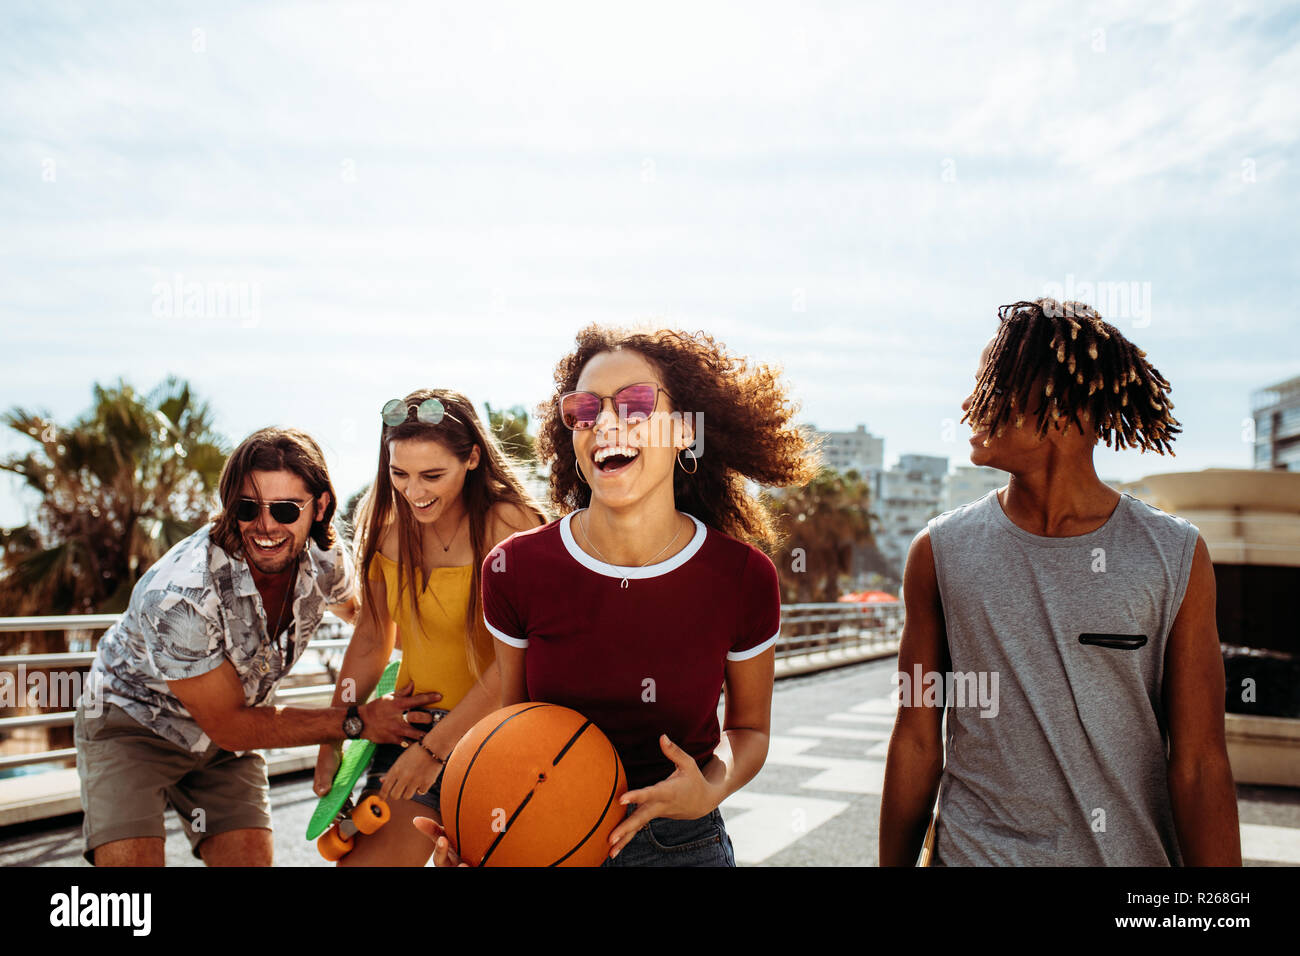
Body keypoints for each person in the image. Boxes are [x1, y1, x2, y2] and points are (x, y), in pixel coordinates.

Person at [420, 325, 819, 867]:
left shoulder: (742, 576)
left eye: (634, 404)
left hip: (680, 844)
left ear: (684, 430)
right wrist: (479, 835)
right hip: (544, 834)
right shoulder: (516, 568)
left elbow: (749, 730)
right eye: (584, 410)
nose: (605, 423)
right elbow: (514, 725)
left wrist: (710, 787)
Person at [879, 298, 1241, 866]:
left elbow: (1199, 764)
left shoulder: (1172, 554)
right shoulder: (938, 551)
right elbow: (916, 739)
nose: (969, 405)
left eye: (993, 383)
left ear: (1064, 405)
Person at [76, 427, 441, 867]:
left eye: (286, 509)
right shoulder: (179, 596)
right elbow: (231, 726)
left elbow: (372, 623)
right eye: (248, 508)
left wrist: (464, 656)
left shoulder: (324, 558)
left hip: (226, 738)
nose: (266, 526)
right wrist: (357, 722)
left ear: (320, 506)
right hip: (133, 725)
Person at [313, 389, 546, 866]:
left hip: (499, 741)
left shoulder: (510, 523)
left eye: (432, 475)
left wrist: (436, 751)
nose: (413, 491)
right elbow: (371, 639)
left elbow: (520, 657)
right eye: (399, 473)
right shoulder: (384, 527)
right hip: (411, 735)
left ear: (472, 458)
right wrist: (333, 735)